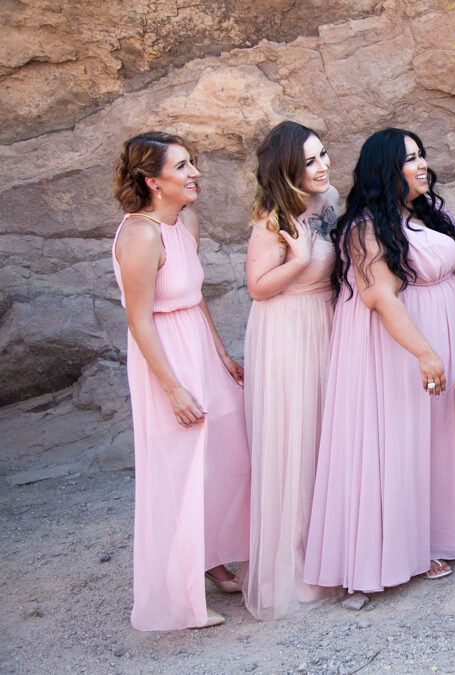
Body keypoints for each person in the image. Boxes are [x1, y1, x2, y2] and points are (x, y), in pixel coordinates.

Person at [304, 128, 455, 594]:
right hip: (406, 344)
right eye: (410, 159)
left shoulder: (429, 210)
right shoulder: (365, 228)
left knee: (445, 434)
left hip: (453, 331)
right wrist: (424, 352)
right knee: (410, 440)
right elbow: (381, 298)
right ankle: (413, 543)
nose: (422, 164)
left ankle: (451, 525)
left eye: (422, 154)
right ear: (386, 170)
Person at [111, 132, 249, 630]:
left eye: (192, 163)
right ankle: (177, 598)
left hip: (198, 344)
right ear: (153, 181)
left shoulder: (184, 221)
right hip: (165, 355)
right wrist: (171, 387)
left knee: (228, 450)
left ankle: (210, 559)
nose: (195, 173)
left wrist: (220, 354)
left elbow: (194, 295)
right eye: (183, 167)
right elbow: (139, 319)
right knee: (180, 467)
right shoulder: (140, 235)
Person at [242, 121, 339, 619]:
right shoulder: (272, 219)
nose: (322, 167)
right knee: (296, 441)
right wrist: (299, 259)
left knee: (327, 437)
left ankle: (331, 550)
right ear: (287, 170)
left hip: (327, 321)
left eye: (323, 155)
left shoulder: (330, 200)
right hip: (288, 331)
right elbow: (258, 287)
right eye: (310, 161)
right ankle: (295, 570)